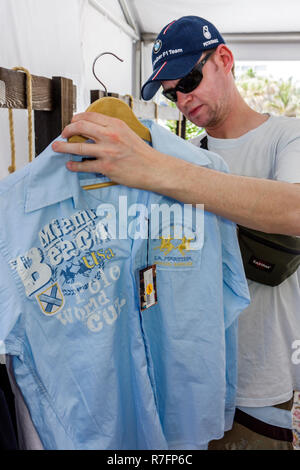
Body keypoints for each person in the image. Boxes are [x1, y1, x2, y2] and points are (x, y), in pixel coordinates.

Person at [52, 16, 300, 449]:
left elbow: (294, 209)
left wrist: (155, 169)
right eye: (171, 92)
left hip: (264, 396)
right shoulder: (184, 157)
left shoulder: (287, 138)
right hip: (187, 392)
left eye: (189, 78)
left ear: (224, 59)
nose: (183, 99)